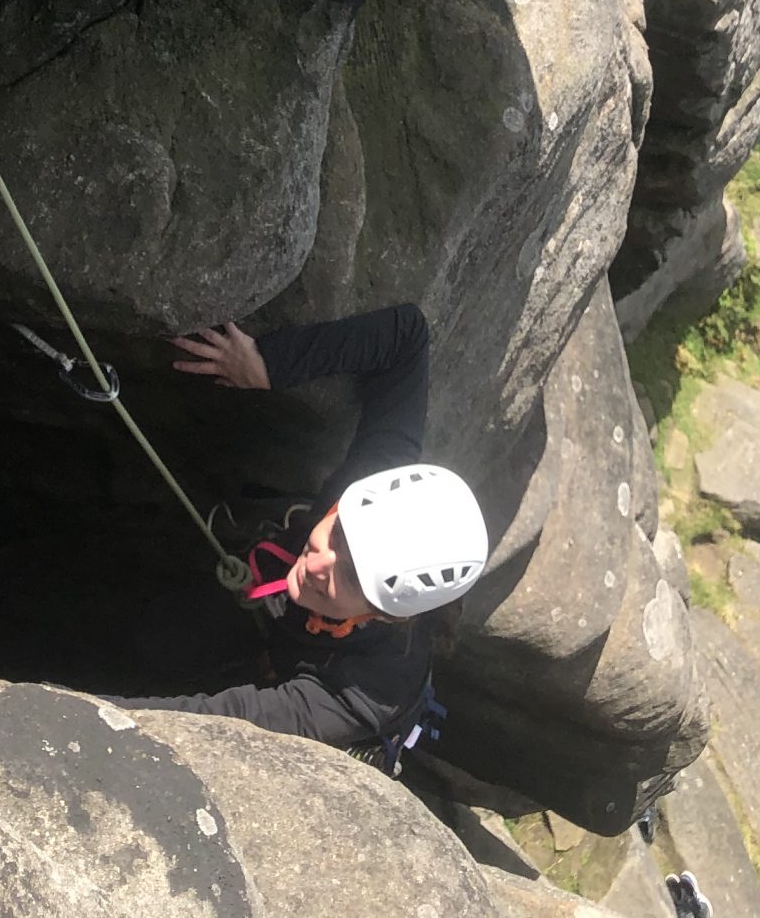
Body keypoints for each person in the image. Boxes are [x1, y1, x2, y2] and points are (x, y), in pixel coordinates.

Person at [118, 303, 490, 753]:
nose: (318, 563)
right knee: (154, 637)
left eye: (351, 574)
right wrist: (269, 363)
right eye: (337, 534)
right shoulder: (374, 496)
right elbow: (405, 337)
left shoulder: (362, 697)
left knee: (167, 655)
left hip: (306, 669)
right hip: (279, 608)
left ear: (390, 614)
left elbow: (225, 720)